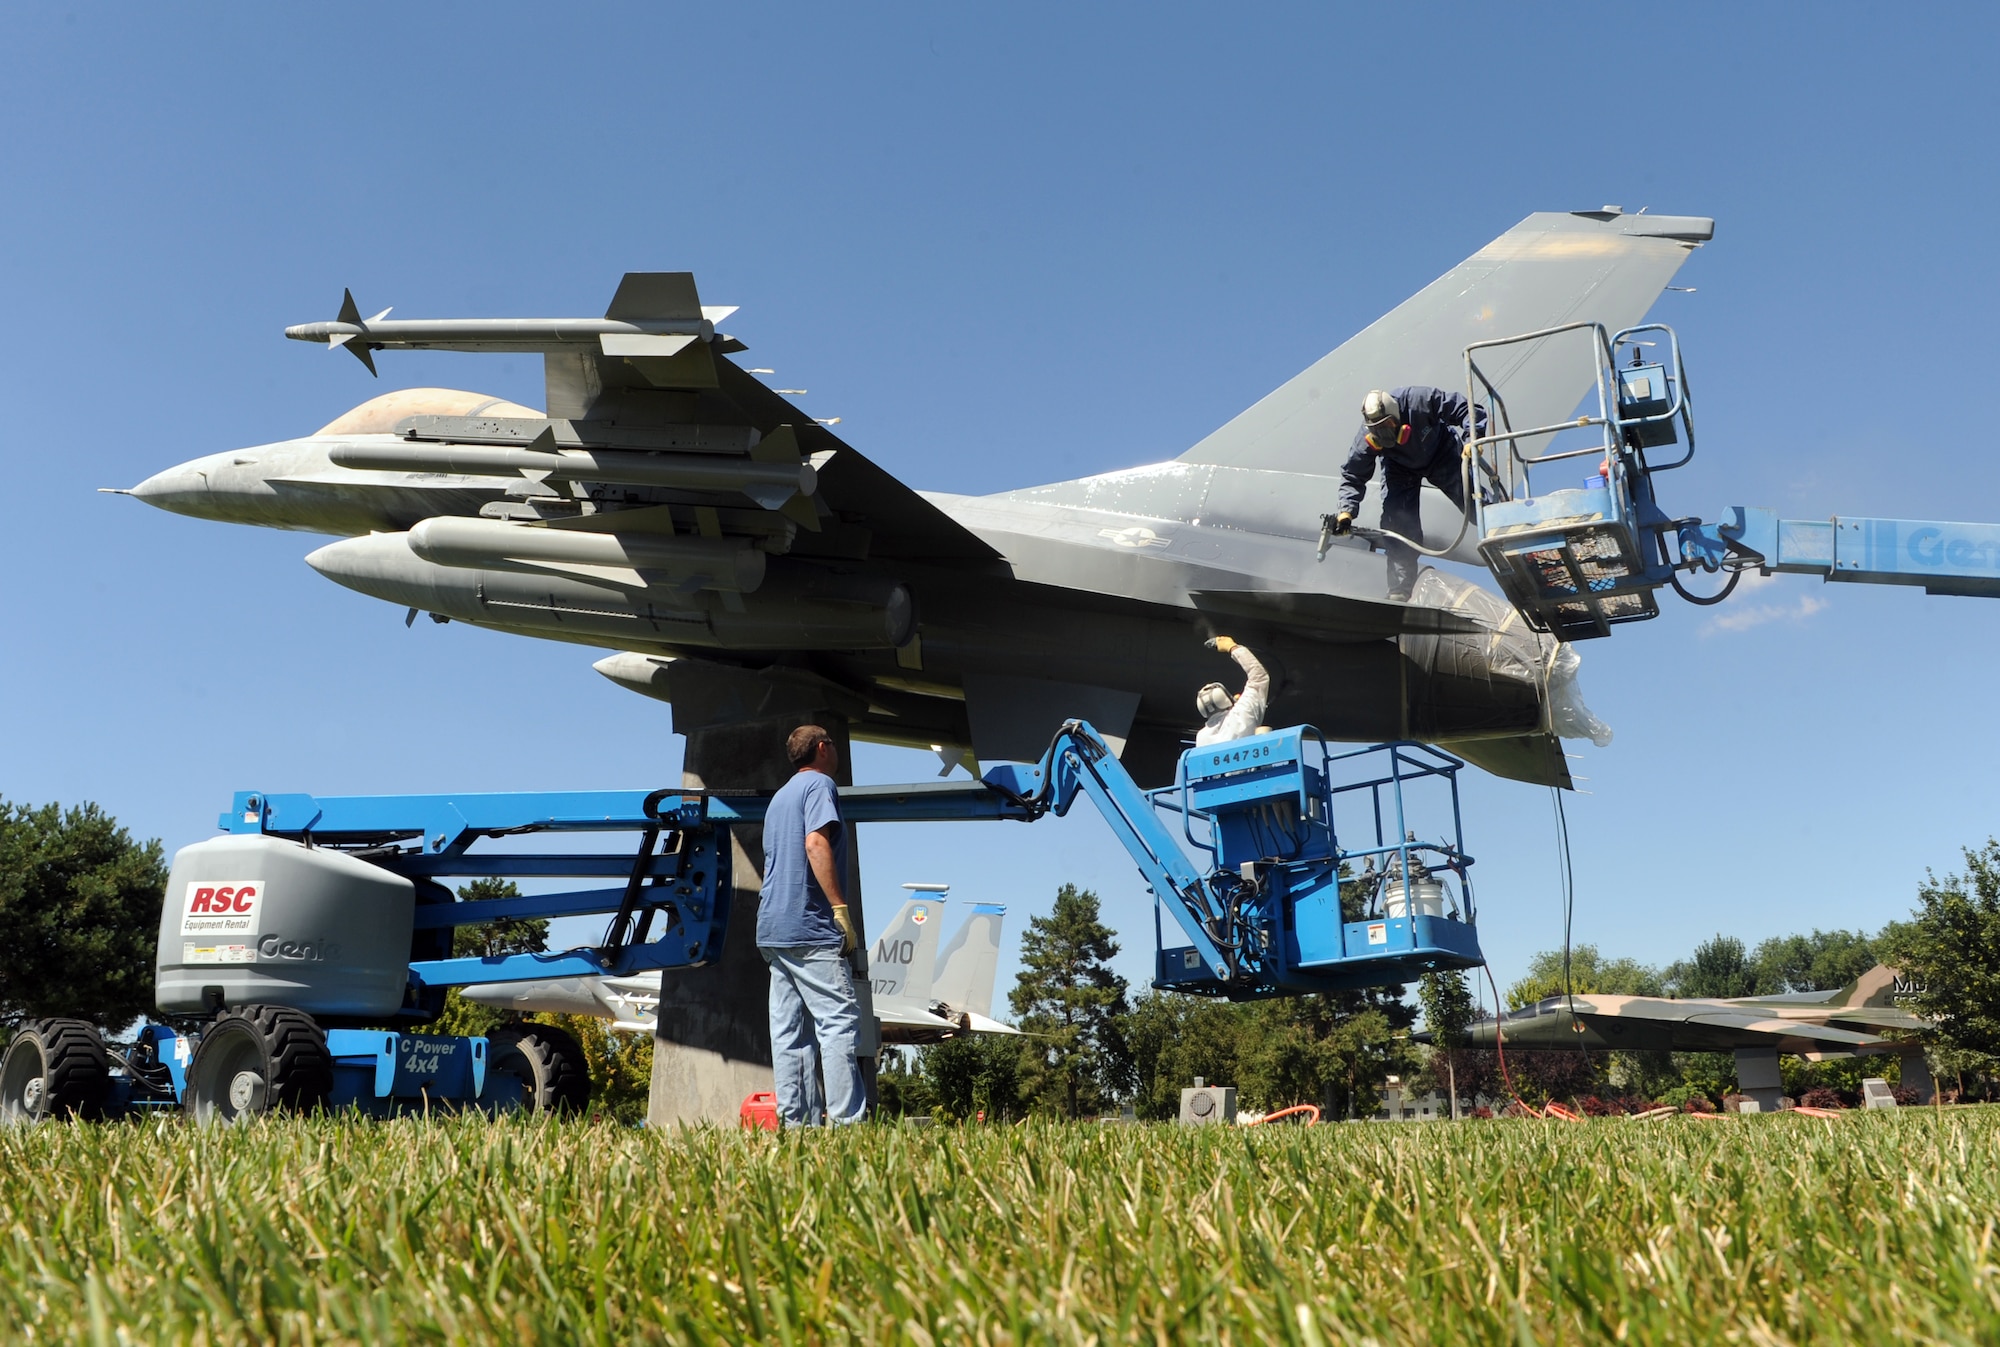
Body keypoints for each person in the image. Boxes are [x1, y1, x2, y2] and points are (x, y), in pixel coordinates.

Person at [756, 724, 867, 1127]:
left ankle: (796, 1127)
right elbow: (815, 843)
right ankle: (846, 1126)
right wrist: (840, 908)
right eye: (833, 745)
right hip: (810, 926)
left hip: (773, 928)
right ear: (823, 748)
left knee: (789, 1033)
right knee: (836, 1023)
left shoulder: (780, 797)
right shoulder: (819, 785)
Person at [1326, 386, 1484, 601]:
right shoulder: (1365, 440)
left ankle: (1505, 533)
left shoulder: (1419, 400)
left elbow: (1466, 409)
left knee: (1472, 498)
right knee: (1397, 524)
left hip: (1440, 451)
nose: (1384, 434)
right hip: (1399, 467)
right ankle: (1399, 590)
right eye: (1377, 430)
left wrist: (1472, 438)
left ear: (1397, 415)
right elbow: (1353, 474)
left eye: (1387, 426)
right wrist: (1346, 512)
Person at [1195, 636, 1269, 747]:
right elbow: (1258, 677)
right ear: (1227, 699)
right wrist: (1232, 647)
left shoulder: (1201, 737)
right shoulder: (1242, 712)